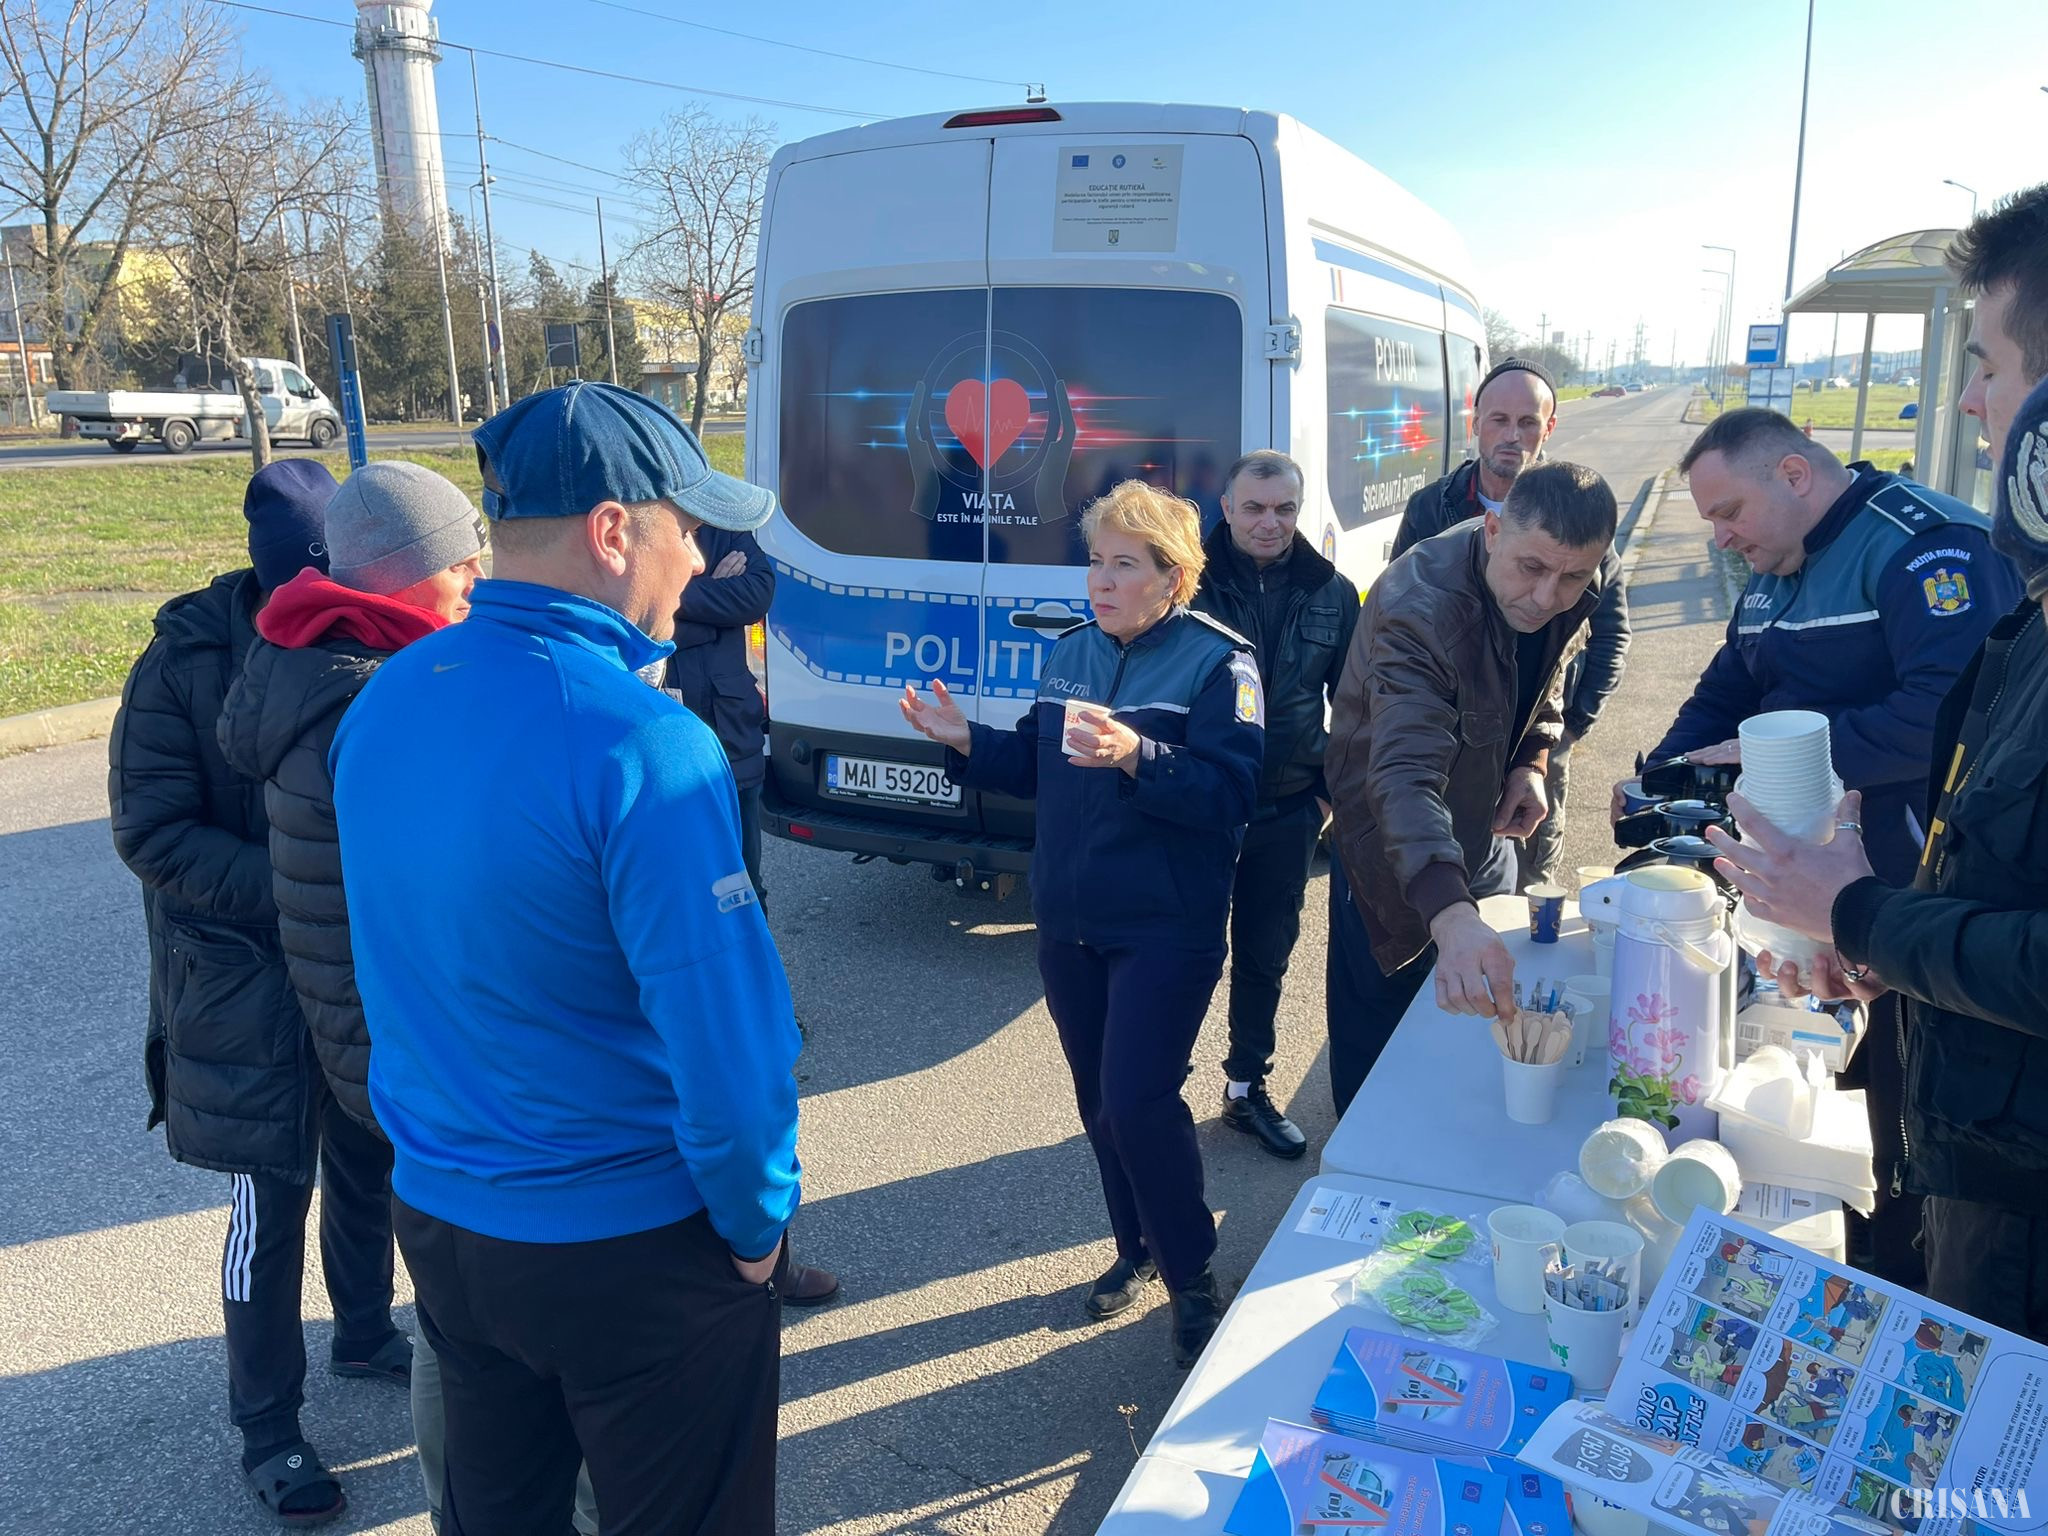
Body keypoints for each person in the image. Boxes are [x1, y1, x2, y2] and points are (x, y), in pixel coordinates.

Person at [330, 382, 802, 1536]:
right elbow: (730, 1053)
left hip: (447, 1220)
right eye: (687, 528)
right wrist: (757, 1233)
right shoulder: (644, 742)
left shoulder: (386, 699)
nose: (701, 560)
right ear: (612, 531)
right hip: (627, 1242)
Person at [1705, 187, 2048, 1338]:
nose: (1965, 400)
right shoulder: (2031, 626)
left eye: (1986, 366)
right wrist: (1886, 947)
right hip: (1979, 1167)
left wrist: (1859, 913)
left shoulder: (1925, 554)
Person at [1616, 408, 2017, 1286]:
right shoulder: (1772, 574)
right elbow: (1724, 692)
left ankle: (1902, 1275)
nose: (1721, 539)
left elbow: (1944, 714)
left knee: (1908, 1105)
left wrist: (1783, 757)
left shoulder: (1924, 549)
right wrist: (1663, 778)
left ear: (1795, 475)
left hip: (1912, 893)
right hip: (1811, 898)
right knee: (1841, 1085)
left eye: (1729, 513)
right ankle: (1866, 1246)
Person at [903, 479, 1262, 1368]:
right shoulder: (1069, 652)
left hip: (1164, 925)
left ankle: (1192, 1277)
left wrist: (1141, 755)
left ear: (1173, 577)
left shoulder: (1218, 664)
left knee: (1139, 1102)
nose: (1100, 581)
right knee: (1100, 1104)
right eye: (1096, 561)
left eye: (1124, 565)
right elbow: (1035, 764)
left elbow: (1231, 795)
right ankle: (1134, 1248)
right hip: (1069, 920)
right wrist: (964, 739)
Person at [107, 460, 379, 1528]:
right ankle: (268, 1428)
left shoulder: (363, 639)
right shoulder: (181, 662)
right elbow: (153, 833)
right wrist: (297, 888)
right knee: (268, 1201)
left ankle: (366, 1330)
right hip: (241, 974)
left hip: (346, 962)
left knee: (370, 1158)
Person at [217, 460, 489, 1524]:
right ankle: (451, 1469)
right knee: (426, 1254)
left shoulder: (341, 661)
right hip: (351, 1007)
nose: (476, 579)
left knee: (386, 1198)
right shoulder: (368, 689)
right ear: (404, 574)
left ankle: (372, 1338)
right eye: (460, 563)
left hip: (346, 995)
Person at [1324, 461, 1617, 1114]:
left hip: (1484, 823)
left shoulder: (1571, 570)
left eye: (1573, 577)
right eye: (1531, 569)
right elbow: (1401, 774)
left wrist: (1531, 760)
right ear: (1492, 529)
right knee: (1380, 1035)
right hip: (1392, 844)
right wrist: (1449, 912)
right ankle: (1364, 1162)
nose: (1546, 597)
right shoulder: (1419, 609)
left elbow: (1547, 672)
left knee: (1478, 1017)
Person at [660, 525, 840, 1312]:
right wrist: (705, 596)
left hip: (728, 748)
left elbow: (756, 591)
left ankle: (764, 1253)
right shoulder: (636, 520)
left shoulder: (727, 526)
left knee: (745, 902)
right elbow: (662, 610)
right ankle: (741, 1261)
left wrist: (684, 600)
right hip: (672, 749)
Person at [1394, 358, 1631, 888]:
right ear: (1476, 422)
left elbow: (1611, 631)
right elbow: (1397, 618)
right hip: (1448, 734)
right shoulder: (1432, 508)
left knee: (1528, 885)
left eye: (1528, 422)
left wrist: (1566, 732)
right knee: (1434, 873)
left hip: (1535, 737)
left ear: (1550, 427)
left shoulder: (1582, 513)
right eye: (1499, 420)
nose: (1512, 435)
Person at [1191, 448, 1359, 1159]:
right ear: (1226, 508)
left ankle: (1245, 1090)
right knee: (1186, 954)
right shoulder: (1185, 583)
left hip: (1288, 810)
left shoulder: (1333, 594)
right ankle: (1157, 1085)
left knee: (1265, 957)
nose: (1270, 522)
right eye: (1255, 508)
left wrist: (1324, 796)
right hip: (1198, 810)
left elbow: (1355, 705)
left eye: (1284, 509)